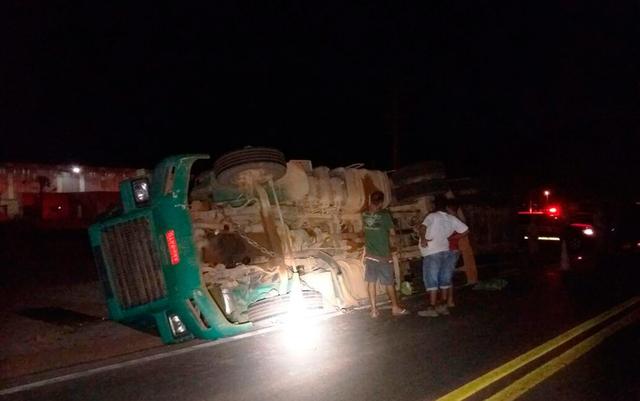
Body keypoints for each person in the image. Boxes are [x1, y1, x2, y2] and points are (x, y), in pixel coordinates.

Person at [418, 195, 468, 317]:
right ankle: (443, 306)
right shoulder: (451, 218)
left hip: (432, 251)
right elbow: (466, 230)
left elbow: (422, 227)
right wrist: (451, 237)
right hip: (446, 251)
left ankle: (432, 307)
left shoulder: (432, 216)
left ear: (435, 206)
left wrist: (423, 239)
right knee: (444, 279)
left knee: (432, 279)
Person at [362, 191, 409, 318]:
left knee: (371, 282)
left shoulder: (365, 215)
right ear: (381, 202)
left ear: (370, 200)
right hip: (383, 256)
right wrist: (396, 245)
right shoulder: (385, 214)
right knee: (389, 283)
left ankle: (373, 310)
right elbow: (392, 234)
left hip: (370, 255)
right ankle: (395, 307)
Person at [445, 198, 468, 308]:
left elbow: (465, 232)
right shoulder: (456, 219)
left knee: (447, 276)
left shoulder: (451, 219)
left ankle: (449, 300)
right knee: (447, 276)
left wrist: (450, 238)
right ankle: (449, 300)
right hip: (453, 249)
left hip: (450, 249)